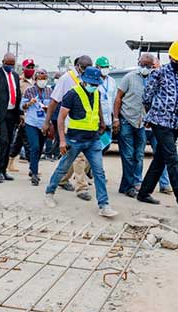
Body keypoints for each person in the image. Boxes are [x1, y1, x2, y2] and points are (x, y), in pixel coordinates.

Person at [44, 67, 117, 218]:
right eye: (92, 84)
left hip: (93, 140)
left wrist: (102, 123)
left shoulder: (96, 92)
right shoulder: (72, 94)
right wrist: (62, 140)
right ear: (83, 80)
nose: (94, 86)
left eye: (96, 84)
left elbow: (97, 109)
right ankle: (49, 193)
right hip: (74, 140)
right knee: (63, 168)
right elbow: (61, 118)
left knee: (99, 173)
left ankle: (104, 205)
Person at [137, 41, 178, 211]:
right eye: (177, 61)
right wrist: (154, 114)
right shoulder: (158, 73)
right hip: (160, 121)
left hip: (174, 122)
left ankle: (144, 193)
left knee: (160, 159)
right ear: (170, 57)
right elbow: (147, 96)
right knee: (171, 159)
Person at [43, 56, 93, 200]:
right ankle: (81, 187)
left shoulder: (89, 79)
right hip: (69, 124)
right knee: (79, 157)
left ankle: (63, 179)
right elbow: (54, 101)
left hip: (86, 126)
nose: (86, 70)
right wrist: (47, 122)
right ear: (77, 66)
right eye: (84, 67)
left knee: (72, 155)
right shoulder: (66, 78)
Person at [113, 53, 154, 198]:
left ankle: (131, 184)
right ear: (139, 62)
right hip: (126, 120)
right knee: (128, 156)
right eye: (143, 64)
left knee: (139, 155)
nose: (145, 68)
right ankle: (129, 186)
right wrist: (116, 119)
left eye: (148, 66)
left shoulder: (152, 79)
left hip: (141, 123)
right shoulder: (129, 77)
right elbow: (118, 98)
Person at [0, 53, 22, 183]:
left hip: (12, 113)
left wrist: (19, 113)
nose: (9, 66)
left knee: (9, 143)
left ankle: (4, 170)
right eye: (7, 64)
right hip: (0, 114)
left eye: (12, 64)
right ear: (3, 62)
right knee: (3, 141)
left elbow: (17, 94)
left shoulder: (15, 76)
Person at [21, 69, 52, 185]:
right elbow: (22, 106)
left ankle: (32, 166)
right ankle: (34, 173)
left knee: (40, 148)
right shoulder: (29, 91)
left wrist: (48, 109)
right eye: (40, 79)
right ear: (35, 79)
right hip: (32, 122)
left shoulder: (49, 91)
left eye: (44, 79)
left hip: (44, 123)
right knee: (35, 146)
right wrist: (29, 103)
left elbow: (54, 107)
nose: (42, 81)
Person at [7, 58, 35, 172]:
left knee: (19, 141)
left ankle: (10, 161)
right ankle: (33, 167)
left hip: (33, 116)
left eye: (32, 67)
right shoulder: (19, 81)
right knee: (28, 142)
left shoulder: (35, 81)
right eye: (28, 67)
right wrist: (20, 114)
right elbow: (17, 98)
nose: (30, 69)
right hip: (23, 115)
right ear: (23, 68)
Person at [95, 56, 116, 147]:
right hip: (98, 121)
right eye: (103, 67)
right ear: (97, 67)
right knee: (96, 146)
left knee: (106, 144)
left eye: (107, 67)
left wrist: (115, 118)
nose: (105, 69)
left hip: (108, 120)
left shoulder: (112, 81)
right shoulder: (93, 81)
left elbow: (114, 100)